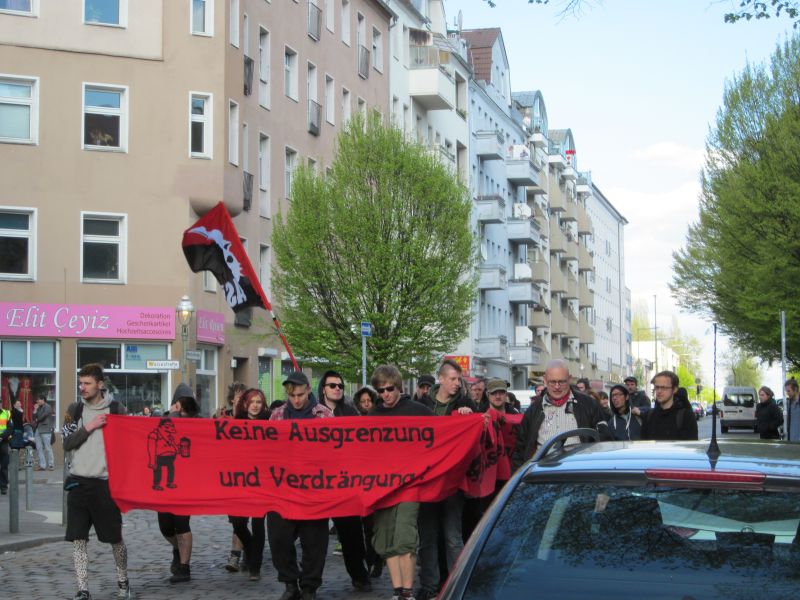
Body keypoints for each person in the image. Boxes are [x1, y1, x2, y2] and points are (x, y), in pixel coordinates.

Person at [63, 363, 131, 600]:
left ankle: (123, 580)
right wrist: (90, 426)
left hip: (105, 485)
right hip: (78, 483)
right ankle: (83, 589)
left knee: (115, 539)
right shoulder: (74, 409)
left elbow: (130, 443)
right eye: (80, 383)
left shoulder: (117, 409)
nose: (82, 387)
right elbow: (67, 442)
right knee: (78, 539)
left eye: (87, 383)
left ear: (100, 385)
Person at [368, 365, 434, 600]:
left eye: (389, 389)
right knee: (385, 538)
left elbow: (443, 431)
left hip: (409, 485)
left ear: (398, 387)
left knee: (405, 537)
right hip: (382, 487)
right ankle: (398, 591)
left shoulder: (418, 411)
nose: (385, 394)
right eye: (380, 390)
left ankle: (407, 592)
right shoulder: (373, 416)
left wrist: (469, 416)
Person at [268, 371, 333, 600]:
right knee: (278, 537)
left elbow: (334, 450)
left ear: (308, 390)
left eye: (300, 395)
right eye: (292, 395)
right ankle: (289, 582)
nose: (296, 400)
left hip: (314, 488)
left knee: (314, 540)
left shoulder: (324, 415)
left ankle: (309, 587)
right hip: (283, 488)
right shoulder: (277, 415)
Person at [417, 359, 477, 600]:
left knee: (453, 537)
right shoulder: (422, 405)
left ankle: (456, 585)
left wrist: (470, 417)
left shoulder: (466, 403)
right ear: (440, 379)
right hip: (427, 482)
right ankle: (429, 586)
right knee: (427, 538)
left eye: (458, 379)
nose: (457, 383)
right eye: (452, 379)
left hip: (453, 482)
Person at [316, 371, 372, 592]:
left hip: (344, 483)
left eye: (340, 385)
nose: (337, 388)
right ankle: (308, 581)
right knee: (313, 536)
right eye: (332, 385)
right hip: (317, 482)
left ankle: (359, 574)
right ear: (323, 388)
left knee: (351, 533)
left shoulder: (350, 413)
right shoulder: (312, 413)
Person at [513, 359, 608, 471]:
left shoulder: (589, 405)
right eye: (552, 382)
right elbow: (521, 448)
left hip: (580, 472)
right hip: (543, 474)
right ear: (545, 380)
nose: (557, 386)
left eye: (561, 382)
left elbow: (604, 442)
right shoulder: (534, 410)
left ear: (569, 379)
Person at [155, 384, 200, 584]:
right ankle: (177, 548)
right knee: (165, 527)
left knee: (182, 524)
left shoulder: (198, 422)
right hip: (166, 483)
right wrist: (172, 415)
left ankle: (184, 567)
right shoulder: (165, 419)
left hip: (187, 483)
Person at [228, 388, 270, 581]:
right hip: (239, 480)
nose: (255, 405)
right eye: (252, 401)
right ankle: (251, 548)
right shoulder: (235, 423)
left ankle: (255, 566)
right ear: (245, 403)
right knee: (238, 522)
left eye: (258, 402)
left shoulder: (270, 422)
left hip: (262, 480)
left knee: (258, 523)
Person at [219, 381, 247, 572]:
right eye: (239, 397)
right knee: (236, 519)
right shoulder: (223, 419)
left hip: (249, 476)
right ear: (232, 400)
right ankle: (249, 547)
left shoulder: (253, 419)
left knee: (242, 518)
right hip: (229, 477)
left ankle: (235, 555)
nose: (243, 401)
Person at [640, 371, 698, 441]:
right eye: (657, 387)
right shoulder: (649, 416)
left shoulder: (686, 416)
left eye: (664, 387)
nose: (659, 391)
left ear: (674, 389)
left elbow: (691, 445)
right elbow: (644, 444)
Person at [33, 393, 55, 471]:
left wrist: (37, 419)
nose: (37, 401)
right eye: (37, 400)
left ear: (43, 400)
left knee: (48, 448)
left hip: (46, 429)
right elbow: (34, 418)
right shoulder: (38, 408)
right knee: (39, 448)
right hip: (38, 429)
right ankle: (42, 465)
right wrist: (35, 410)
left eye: (38, 400)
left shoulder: (48, 407)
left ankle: (51, 464)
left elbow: (42, 417)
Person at [0, 402, 10, 495]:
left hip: (3, 442)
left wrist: (2, 437)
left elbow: (10, 428)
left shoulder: (7, 413)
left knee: (4, 466)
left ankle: (3, 487)